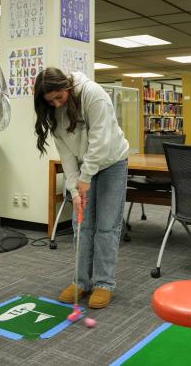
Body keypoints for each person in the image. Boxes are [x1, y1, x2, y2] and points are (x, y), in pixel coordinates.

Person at [33, 67, 129, 309]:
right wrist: (75, 191)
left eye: (59, 97)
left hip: (111, 163)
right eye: (50, 101)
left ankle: (104, 283)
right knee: (81, 224)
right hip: (83, 167)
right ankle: (81, 282)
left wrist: (86, 177)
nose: (56, 104)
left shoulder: (92, 94)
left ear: (66, 86)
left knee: (106, 225)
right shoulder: (53, 113)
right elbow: (66, 156)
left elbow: (101, 140)